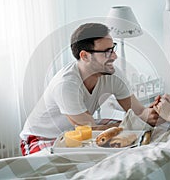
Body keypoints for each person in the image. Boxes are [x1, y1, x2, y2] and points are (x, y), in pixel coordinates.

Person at [20, 23, 160, 155]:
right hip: (43, 137)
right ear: (84, 56)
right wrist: (133, 122)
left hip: (78, 131)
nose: (114, 56)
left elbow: (139, 111)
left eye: (113, 48)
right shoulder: (66, 85)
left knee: (128, 137)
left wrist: (158, 110)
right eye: (107, 52)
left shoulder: (113, 74)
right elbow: (91, 130)